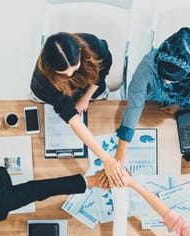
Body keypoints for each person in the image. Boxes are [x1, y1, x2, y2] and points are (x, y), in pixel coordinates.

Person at [31, 32, 125, 187]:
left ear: (80, 52)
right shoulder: (44, 80)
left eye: (74, 68)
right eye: (63, 72)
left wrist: (87, 97)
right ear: (50, 67)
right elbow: (70, 116)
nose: (69, 74)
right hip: (56, 95)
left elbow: (104, 67)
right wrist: (107, 160)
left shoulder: (92, 44)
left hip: (88, 86)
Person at [114, 27, 190, 163]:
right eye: (163, 76)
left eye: (172, 79)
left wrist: (181, 106)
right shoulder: (148, 65)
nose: (166, 82)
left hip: (185, 98)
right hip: (154, 96)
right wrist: (121, 151)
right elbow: (135, 104)